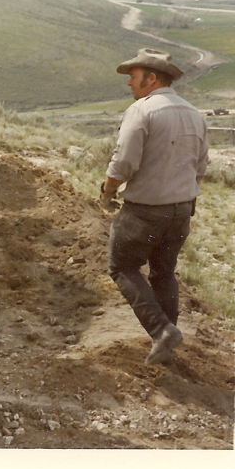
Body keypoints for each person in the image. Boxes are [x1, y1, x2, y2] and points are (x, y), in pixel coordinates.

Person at [100, 48, 207, 365]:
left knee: (122, 267)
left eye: (133, 77)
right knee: (163, 273)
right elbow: (200, 168)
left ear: (151, 77)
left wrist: (107, 190)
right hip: (181, 210)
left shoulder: (142, 111)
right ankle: (166, 344)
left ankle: (161, 331)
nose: (129, 84)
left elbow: (124, 164)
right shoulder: (194, 113)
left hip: (145, 211)